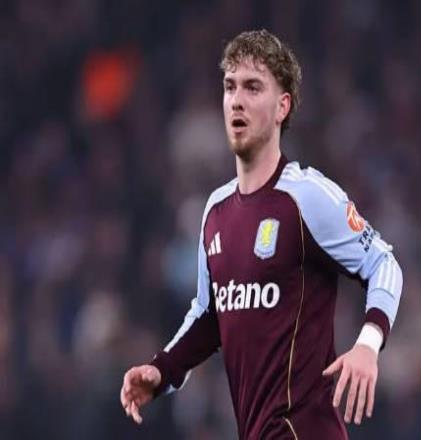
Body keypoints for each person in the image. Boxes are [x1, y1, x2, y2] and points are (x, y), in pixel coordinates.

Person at [120, 29, 403, 439]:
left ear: (282, 106)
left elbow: (383, 263)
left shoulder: (307, 197)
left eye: (253, 88)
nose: (237, 100)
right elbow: (210, 315)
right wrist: (162, 369)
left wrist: (368, 344)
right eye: (230, 87)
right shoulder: (215, 212)